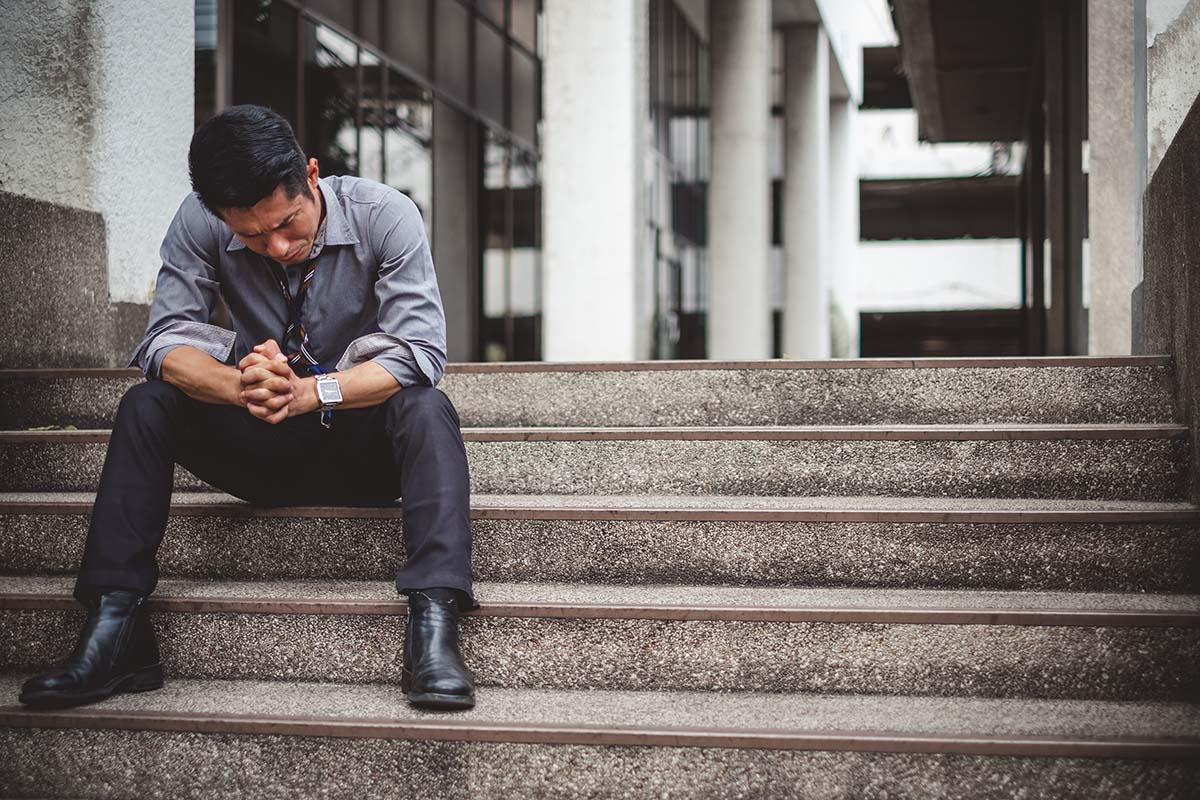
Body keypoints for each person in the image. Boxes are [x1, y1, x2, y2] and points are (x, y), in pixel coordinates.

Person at [18, 104, 476, 711]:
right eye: (253, 236)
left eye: (289, 223)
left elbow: (420, 353)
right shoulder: (201, 221)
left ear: (312, 175)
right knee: (147, 403)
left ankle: (435, 623)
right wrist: (241, 387)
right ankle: (115, 628)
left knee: (426, 406)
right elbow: (163, 341)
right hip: (260, 443)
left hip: (361, 450)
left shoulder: (384, 215)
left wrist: (312, 391)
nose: (278, 246)